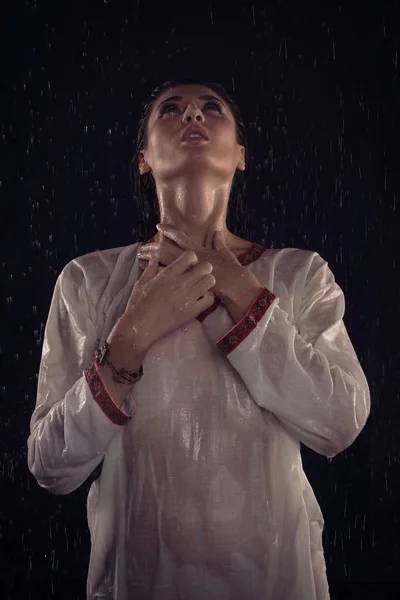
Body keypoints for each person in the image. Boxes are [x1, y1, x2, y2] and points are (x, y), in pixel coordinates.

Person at [27, 78, 371, 600]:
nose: (192, 114)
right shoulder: (88, 282)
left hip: (276, 580)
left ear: (240, 155)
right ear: (143, 157)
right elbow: (51, 465)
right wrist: (131, 337)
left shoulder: (300, 275)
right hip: (139, 580)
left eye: (211, 107)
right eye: (171, 109)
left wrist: (242, 294)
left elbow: (340, 422)